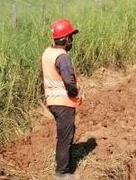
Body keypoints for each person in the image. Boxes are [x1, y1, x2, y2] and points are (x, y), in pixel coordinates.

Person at [42, 18, 82, 180]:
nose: (72, 41)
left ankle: (63, 167)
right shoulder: (62, 57)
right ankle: (62, 173)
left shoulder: (47, 53)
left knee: (64, 134)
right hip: (63, 102)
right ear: (65, 39)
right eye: (71, 37)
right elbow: (69, 81)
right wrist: (75, 94)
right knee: (65, 137)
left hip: (52, 101)